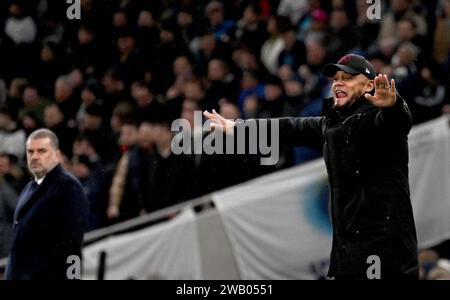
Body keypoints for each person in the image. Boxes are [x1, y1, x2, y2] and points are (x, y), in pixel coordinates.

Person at [204, 54, 418, 279]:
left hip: (385, 249)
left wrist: (393, 105)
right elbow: (289, 128)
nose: (338, 83)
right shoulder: (331, 125)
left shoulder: (379, 119)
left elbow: (398, 123)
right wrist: (238, 127)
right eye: (336, 79)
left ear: (370, 84)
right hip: (348, 250)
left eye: (347, 78)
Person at [5, 129, 88, 280]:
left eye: (41, 151)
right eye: (30, 152)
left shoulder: (68, 186)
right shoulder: (28, 188)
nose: (35, 157)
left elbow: (72, 245)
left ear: (57, 155)